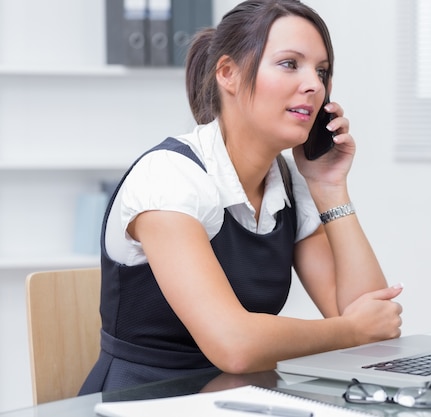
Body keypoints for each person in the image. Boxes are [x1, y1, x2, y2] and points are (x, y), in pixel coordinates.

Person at [79, 0, 403, 394]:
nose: (314, 85)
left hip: (234, 399)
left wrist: (329, 186)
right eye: (290, 64)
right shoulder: (169, 178)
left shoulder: (287, 183)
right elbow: (235, 346)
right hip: (143, 400)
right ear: (228, 74)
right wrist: (348, 331)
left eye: (321, 71)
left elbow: (375, 324)